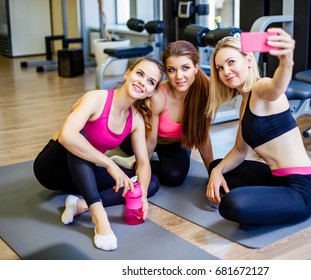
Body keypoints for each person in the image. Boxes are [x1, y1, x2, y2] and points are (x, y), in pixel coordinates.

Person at [33, 57, 164, 251]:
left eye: (150, 82)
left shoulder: (135, 119)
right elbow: (67, 136)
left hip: (80, 175)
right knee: (80, 137)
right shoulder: (95, 98)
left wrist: (141, 196)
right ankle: (99, 217)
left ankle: (81, 204)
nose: (142, 82)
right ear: (127, 73)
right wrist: (110, 165)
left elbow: (143, 163)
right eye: (139, 73)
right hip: (52, 168)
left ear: (151, 91)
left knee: (149, 183)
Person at [206, 28, 311, 229]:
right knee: (216, 167)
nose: (226, 71)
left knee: (231, 204)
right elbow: (239, 151)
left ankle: (258, 207)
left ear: (249, 60)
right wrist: (216, 171)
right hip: (276, 179)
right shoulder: (244, 102)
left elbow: (276, 87)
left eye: (231, 62)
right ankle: (261, 206)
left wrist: (286, 62)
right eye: (220, 67)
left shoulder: (261, 88)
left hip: (302, 189)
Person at [117, 40, 213, 186]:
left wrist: (212, 174)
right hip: (145, 137)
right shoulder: (159, 96)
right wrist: (141, 167)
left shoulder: (205, 93)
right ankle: (132, 162)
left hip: (174, 144)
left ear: (195, 67)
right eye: (172, 70)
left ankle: (131, 163)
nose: (179, 76)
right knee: (126, 146)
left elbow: (203, 137)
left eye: (185, 68)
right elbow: (151, 140)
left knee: (174, 176)